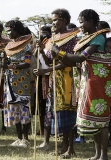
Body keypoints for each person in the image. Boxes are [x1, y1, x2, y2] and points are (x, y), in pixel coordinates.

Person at [50, 9, 111, 160]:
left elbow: (81, 58)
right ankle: (97, 154)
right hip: (89, 81)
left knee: (101, 121)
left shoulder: (98, 39)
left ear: (91, 22)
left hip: (98, 82)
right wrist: (58, 55)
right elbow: (72, 61)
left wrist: (60, 52)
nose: (80, 25)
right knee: (93, 119)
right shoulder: (88, 38)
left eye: (82, 22)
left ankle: (103, 155)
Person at [33, 8, 79, 158]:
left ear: (64, 20)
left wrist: (47, 69)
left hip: (67, 79)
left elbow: (69, 62)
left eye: (56, 20)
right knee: (57, 112)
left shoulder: (72, 38)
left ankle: (70, 148)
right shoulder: (52, 39)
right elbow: (49, 61)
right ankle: (63, 146)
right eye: (52, 20)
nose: (53, 23)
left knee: (67, 112)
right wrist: (41, 51)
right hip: (54, 79)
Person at [3, 20, 32, 147]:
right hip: (9, 81)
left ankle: (26, 138)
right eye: (7, 30)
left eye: (10, 30)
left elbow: (27, 63)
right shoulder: (8, 45)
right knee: (14, 109)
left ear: (17, 30)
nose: (8, 32)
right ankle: (18, 137)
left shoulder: (27, 45)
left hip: (22, 82)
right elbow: (6, 60)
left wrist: (10, 66)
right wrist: (3, 61)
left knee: (23, 109)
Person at [35, 26, 52, 150]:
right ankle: (42, 131)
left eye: (45, 33)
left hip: (51, 77)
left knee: (49, 107)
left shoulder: (51, 45)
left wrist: (42, 51)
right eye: (41, 33)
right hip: (41, 78)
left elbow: (50, 63)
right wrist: (38, 48)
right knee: (43, 106)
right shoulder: (40, 45)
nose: (43, 35)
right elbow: (35, 58)